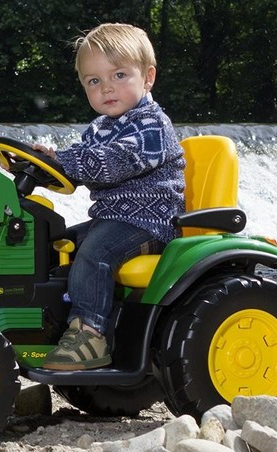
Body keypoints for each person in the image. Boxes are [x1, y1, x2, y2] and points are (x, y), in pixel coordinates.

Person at [32, 23, 186, 370]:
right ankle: (50, 326)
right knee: (51, 244)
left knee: (94, 253)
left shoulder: (152, 125)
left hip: (151, 220)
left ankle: (90, 334)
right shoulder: (100, 127)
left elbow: (113, 162)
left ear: (147, 78)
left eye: (118, 75)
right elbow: (76, 161)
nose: (106, 88)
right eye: (94, 81)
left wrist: (66, 160)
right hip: (114, 219)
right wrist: (46, 163)